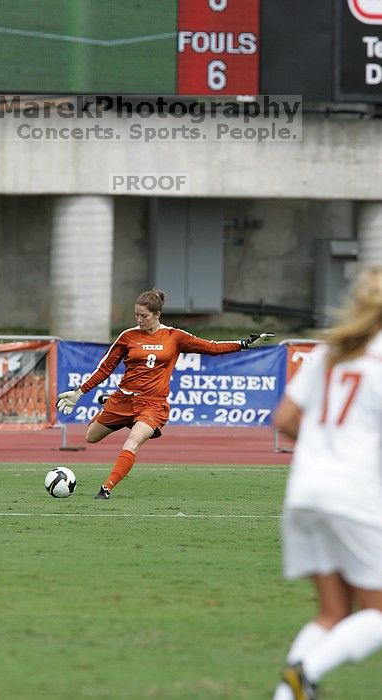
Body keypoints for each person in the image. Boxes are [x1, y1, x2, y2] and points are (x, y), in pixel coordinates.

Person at [272, 266, 382, 700]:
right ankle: (308, 672)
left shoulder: (334, 349)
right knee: (377, 615)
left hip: (304, 489)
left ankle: (288, 694)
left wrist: (325, 448)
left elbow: (285, 419)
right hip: (354, 493)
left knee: (332, 612)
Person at [57, 288, 273, 499]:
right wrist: (79, 392)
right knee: (91, 437)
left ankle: (106, 488)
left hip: (152, 405)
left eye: (144, 316)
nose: (139, 320)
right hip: (123, 399)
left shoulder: (174, 336)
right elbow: (105, 368)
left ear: (157, 314)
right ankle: (116, 408)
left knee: (133, 441)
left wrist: (243, 344)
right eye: (136, 315)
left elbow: (212, 347)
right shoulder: (128, 336)